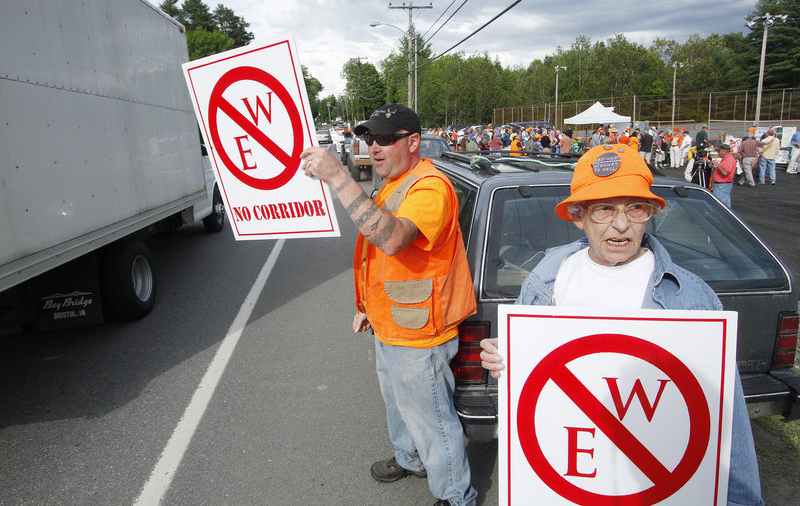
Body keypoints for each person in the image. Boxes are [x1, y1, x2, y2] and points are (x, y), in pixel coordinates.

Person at [478, 143, 764, 506]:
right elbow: (535, 386)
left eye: (635, 207)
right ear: (578, 216)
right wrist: (506, 355)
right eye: (604, 209)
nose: (622, 224)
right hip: (570, 478)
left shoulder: (691, 298)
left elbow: (728, 429)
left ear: (650, 212)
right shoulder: (548, 276)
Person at [300, 103, 478, 506]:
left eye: (384, 138)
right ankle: (410, 458)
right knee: (400, 403)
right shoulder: (396, 181)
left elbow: (391, 238)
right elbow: (379, 257)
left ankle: (456, 495)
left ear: (413, 142)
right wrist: (367, 306)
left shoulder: (430, 187)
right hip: (391, 321)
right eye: (370, 138)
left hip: (420, 332)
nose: (374, 147)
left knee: (431, 419)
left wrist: (338, 176)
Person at [711, 143, 736, 208]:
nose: (718, 153)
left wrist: (717, 165)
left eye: (718, 151)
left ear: (723, 151)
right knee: (725, 204)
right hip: (724, 185)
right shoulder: (726, 159)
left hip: (722, 185)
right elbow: (722, 170)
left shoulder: (728, 160)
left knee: (719, 204)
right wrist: (714, 167)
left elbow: (725, 173)